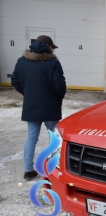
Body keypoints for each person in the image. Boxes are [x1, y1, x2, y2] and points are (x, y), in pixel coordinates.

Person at [11, 35, 66, 180]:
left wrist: (27, 93)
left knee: (31, 138)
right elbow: (59, 85)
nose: (53, 49)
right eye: (52, 47)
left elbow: (15, 80)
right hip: (50, 106)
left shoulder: (22, 61)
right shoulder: (53, 62)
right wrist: (58, 96)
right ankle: (52, 169)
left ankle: (28, 170)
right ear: (47, 45)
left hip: (32, 105)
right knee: (54, 138)